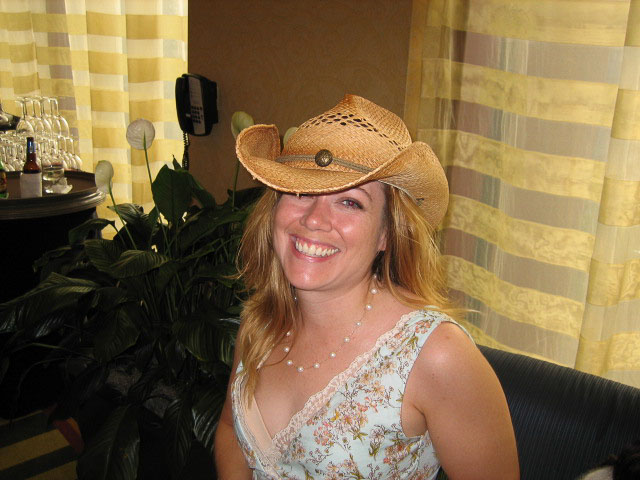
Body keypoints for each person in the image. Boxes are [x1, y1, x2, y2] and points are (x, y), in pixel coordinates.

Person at [214, 94, 519, 479]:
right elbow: (230, 430)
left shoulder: (435, 354)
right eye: (300, 191)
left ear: (387, 234)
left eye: (350, 203)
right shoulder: (261, 320)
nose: (314, 219)